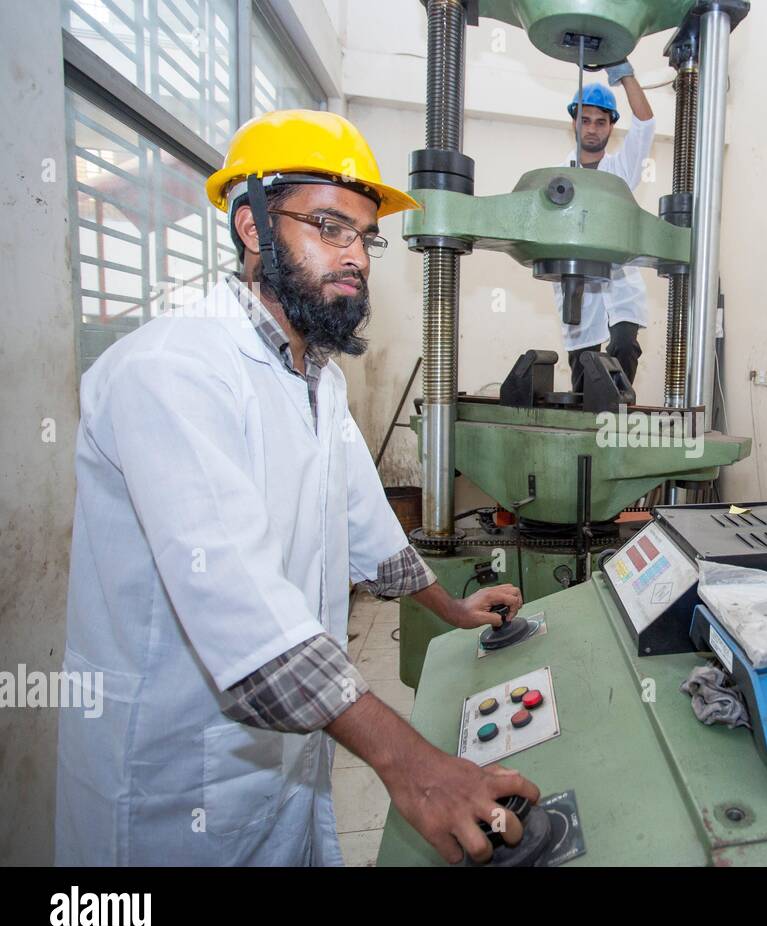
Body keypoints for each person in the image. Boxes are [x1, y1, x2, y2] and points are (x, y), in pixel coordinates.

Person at [56, 109, 539, 866]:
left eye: (365, 237)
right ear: (251, 227)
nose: (356, 257)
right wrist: (413, 768)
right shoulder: (172, 372)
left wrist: (452, 611)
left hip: (286, 759)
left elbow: (368, 531)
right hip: (174, 776)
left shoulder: (315, 377)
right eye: (328, 227)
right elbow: (246, 621)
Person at [555, 61, 655, 393]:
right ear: (573, 123)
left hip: (620, 288)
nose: (592, 129)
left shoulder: (621, 172)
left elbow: (645, 124)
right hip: (577, 290)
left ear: (611, 126)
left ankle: (617, 425)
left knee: (624, 347)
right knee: (585, 374)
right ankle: (584, 437)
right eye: (584, 121)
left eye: (600, 122)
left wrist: (626, 75)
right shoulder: (557, 178)